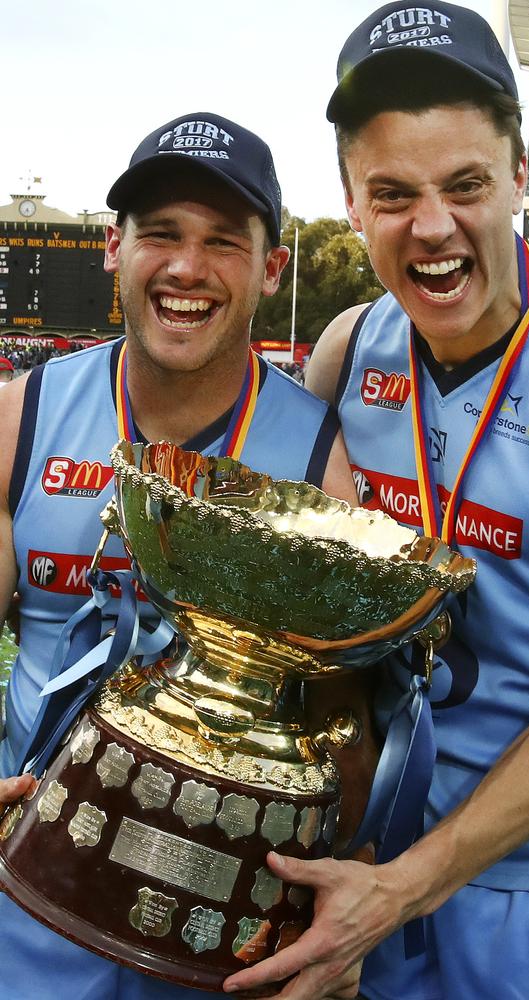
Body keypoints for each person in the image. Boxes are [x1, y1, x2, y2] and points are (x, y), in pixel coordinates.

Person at [221, 5, 529, 1000]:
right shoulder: (343, 352)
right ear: (350, 201)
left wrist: (399, 889)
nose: (430, 227)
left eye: (463, 186)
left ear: (517, 176)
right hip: (369, 872)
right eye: (391, 193)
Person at [0, 110, 360, 999]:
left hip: (215, 927)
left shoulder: (323, 463)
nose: (187, 268)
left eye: (223, 242)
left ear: (272, 268)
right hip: (22, 889)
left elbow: (344, 727)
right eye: (160, 234)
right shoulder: (20, 417)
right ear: (115, 249)